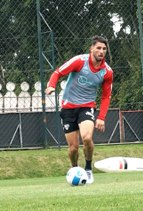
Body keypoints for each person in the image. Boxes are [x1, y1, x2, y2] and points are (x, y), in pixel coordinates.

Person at [45, 36, 114, 184]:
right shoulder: (79, 61)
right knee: (73, 148)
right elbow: (58, 72)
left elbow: (106, 96)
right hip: (68, 108)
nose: (101, 51)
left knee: (87, 138)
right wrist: (51, 85)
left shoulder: (107, 72)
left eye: (104, 49)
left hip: (87, 106)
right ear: (91, 49)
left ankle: (88, 169)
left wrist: (101, 117)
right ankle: (75, 169)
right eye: (98, 48)